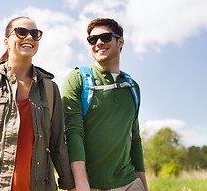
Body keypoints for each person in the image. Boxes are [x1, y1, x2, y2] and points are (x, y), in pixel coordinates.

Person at [0, 17, 75, 191]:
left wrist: (70, 185)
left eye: (35, 33)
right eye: (21, 32)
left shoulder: (49, 88)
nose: (29, 37)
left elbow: (57, 144)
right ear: (6, 42)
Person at [62, 18, 148, 191]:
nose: (99, 43)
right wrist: (81, 185)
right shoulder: (77, 79)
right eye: (92, 40)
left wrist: (144, 186)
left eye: (106, 37)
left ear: (120, 41)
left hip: (130, 182)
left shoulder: (132, 86)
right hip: (90, 185)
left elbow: (135, 138)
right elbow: (73, 133)